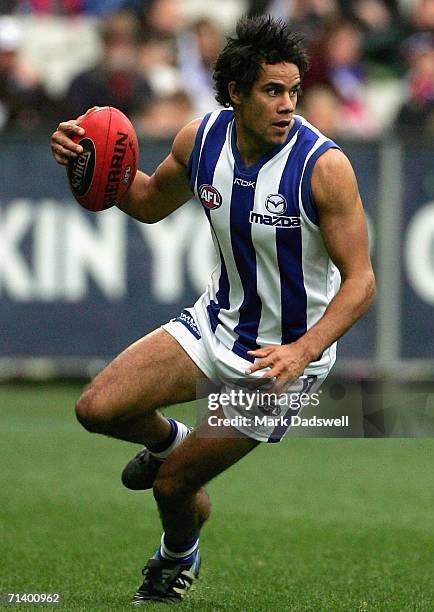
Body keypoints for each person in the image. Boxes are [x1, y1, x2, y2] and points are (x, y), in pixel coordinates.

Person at [50, 15, 375, 605]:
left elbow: (361, 283)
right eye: (272, 91)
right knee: (96, 408)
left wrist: (302, 352)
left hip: (280, 361)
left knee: (174, 488)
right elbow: (145, 202)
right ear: (235, 93)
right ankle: (174, 441)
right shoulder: (200, 140)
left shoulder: (323, 167)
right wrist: (86, 159)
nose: (287, 105)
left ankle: (176, 557)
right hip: (214, 323)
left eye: (293, 91)